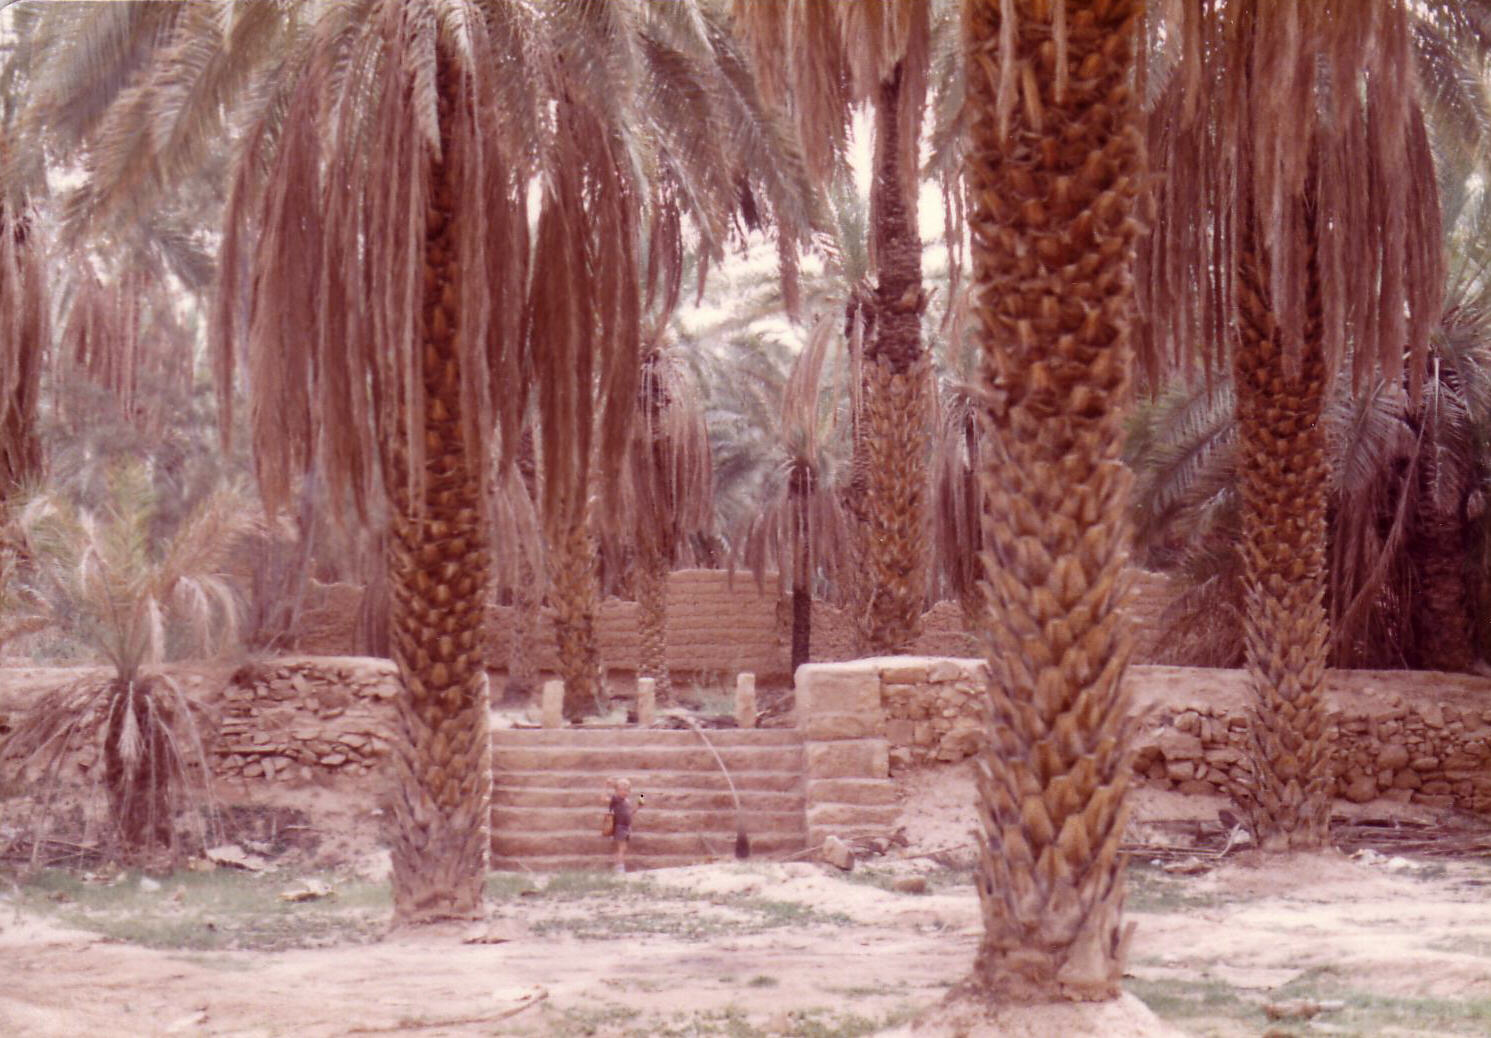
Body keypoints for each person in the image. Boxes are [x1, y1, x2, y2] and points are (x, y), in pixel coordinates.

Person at [606, 777, 643, 874]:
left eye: (626, 790)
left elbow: (630, 813)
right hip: (620, 827)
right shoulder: (616, 799)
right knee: (621, 848)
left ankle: (617, 866)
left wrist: (639, 805)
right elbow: (603, 798)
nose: (624, 792)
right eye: (621, 790)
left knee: (622, 848)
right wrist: (606, 786)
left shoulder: (626, 801)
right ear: (617, 791)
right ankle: (620, 868)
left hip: (626, 828)